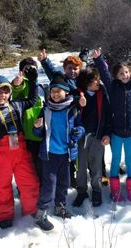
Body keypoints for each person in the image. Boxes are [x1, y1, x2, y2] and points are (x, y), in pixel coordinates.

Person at [92, 45, 131, 203]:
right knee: (115, 161)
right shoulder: (112, 87)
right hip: (116, 132)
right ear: (116, 76)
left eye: (126, 72)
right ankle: (115, 192)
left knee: (130, 161)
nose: (124, 75)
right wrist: (98, 59)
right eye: (121, 73)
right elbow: (105, 75)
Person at [0, 71, 40, 229]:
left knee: (29, 181)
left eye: (6, 92)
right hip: (0, 152)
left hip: (20, 149)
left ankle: (31, 209)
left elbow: (32, 100)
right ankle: (4, 214)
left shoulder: (16, 105)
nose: (3, 95)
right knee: (2, 185)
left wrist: (33, 81)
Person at [33, 71, 85, 232]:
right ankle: (40, 214)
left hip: (66, 154)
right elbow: (39, 134)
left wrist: (79, 132)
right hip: (50, 155)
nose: (55, 94)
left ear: (66, 92)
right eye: (53, 91)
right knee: (49, 185)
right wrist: (38, 127)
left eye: (58, 91)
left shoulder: (72, 109)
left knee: (64, 183)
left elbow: (80, 126)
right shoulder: (46, 109)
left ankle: (59, 208)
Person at [37, 49, 83, 187]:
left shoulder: (81, 81)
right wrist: (45, 61)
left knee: (76, 150)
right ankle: (68, 175)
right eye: (70, 68)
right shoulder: (62, 79)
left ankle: (75, 174)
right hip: (64, 116)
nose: (73, 71)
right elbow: (51, 72)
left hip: (78, 117)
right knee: (68, 150)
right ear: (65, 69)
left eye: (76, 69)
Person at [72, 67, 112, 208]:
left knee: (96, 166)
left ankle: (97, 191)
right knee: (80, 167)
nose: (98, 82)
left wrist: (107, 134)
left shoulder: (101, 95)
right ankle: (81, 191)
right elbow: (71, 103)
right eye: (95, 80)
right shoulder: (77, 95)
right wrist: (78, 102)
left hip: (97, 136)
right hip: (80, 138)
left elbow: (107, 117)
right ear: (87, 82)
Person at [11, 57, 44, 185]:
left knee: (39, 164)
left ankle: (40, 187)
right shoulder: (22, 84)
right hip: (27, 133)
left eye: (33, 69)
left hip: (40, 132)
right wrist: (16, 84)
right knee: (26, 165)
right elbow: (15, 92)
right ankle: (24, 188)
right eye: (27, 69)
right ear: (21, 72)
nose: (30, 72)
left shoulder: (40, 86)